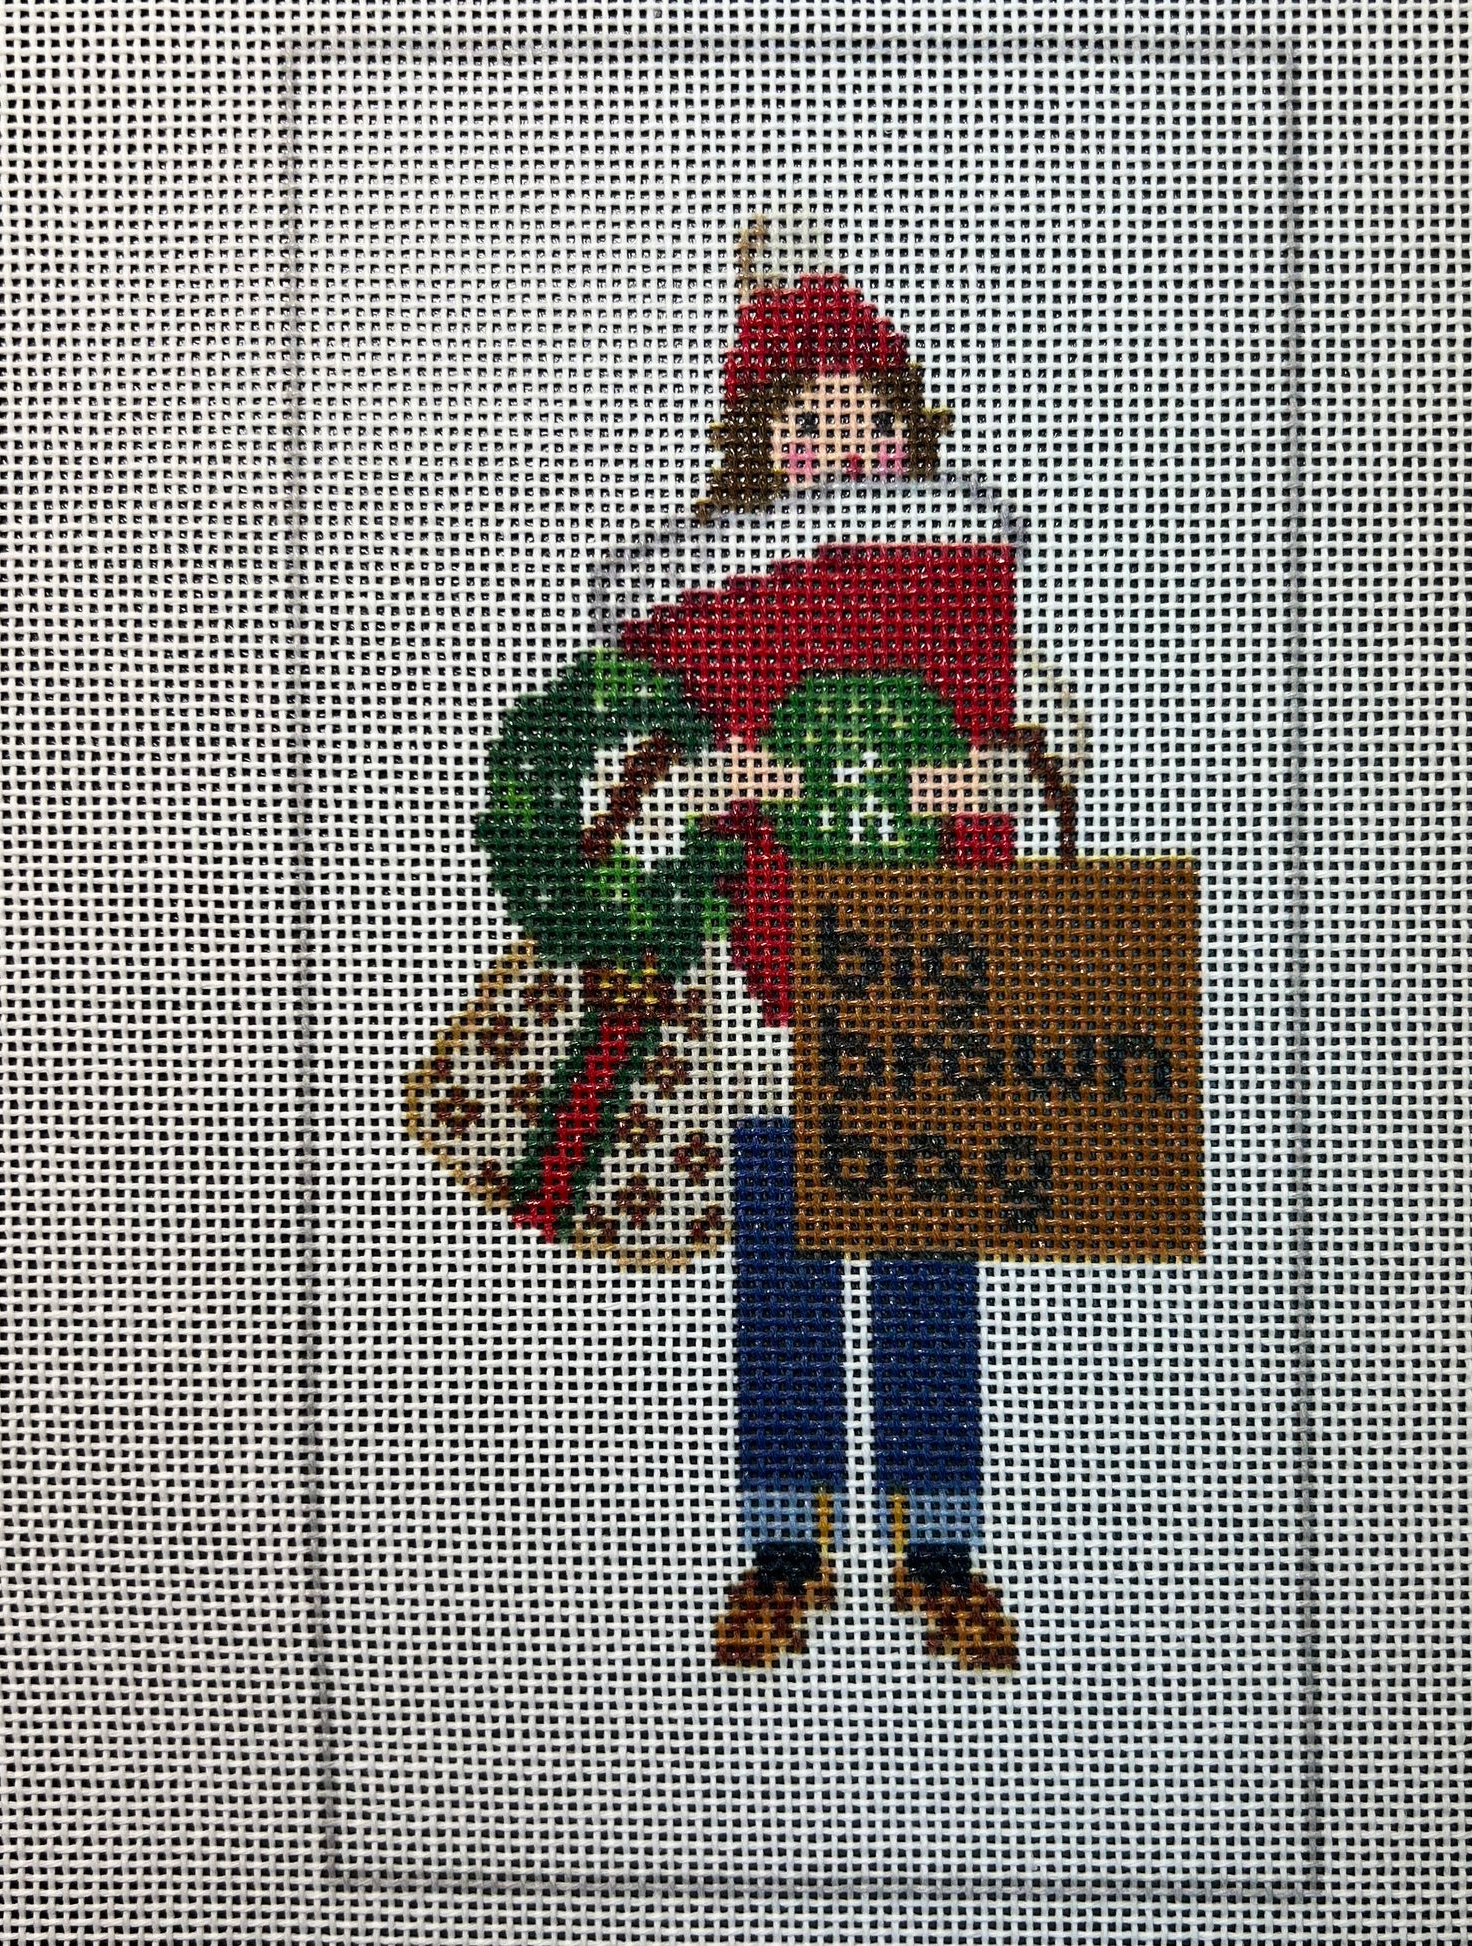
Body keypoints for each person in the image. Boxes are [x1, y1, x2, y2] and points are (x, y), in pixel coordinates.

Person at [407, 217, 1090, 1671]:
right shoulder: (713, 612)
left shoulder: (962, 598)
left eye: (872, 422)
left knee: (927, 1274)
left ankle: (940, 1545)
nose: (846, 450)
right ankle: (785, 1547)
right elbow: (619, 762)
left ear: (911, 433)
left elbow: (1043, 742)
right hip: (770, 991)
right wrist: (713, 784)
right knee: (784, 1276)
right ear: (760, 448)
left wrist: (993, 778)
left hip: (933, 979)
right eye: (810, 426)